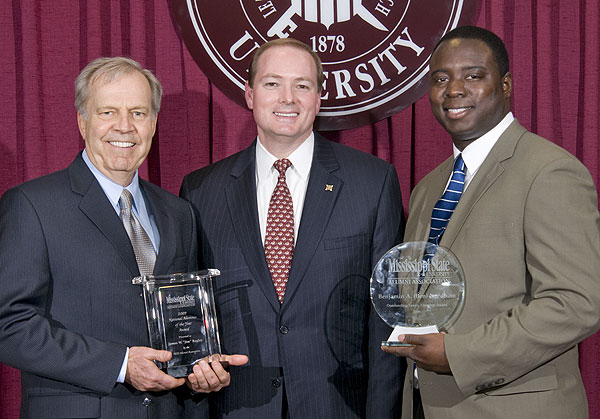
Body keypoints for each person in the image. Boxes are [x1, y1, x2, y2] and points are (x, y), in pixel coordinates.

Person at [0, 56, 245, 418]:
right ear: (82, 121)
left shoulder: (178, 213)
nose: (125, 126)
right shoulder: (32, 205)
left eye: (139, 113)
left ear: (154, 123)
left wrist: (200, 368)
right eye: (107, 112)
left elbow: (184, 320)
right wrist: (120, 364)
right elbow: (8, 324)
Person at [180, 38, 406, 418]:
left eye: (301, 85)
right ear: (250, 95)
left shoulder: (373, 182)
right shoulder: (201, 190)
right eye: (272, 84)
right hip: (237, 406)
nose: (288, 98)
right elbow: (190, 311)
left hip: (338, 406)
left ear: (319, 97)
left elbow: (386, 318)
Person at [383, 26, 600, 418]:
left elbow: (575, 303)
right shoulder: (429, 187)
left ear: (505, 85)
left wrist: (458, 354)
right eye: (441, 79)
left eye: (473, 75)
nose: (454, 90)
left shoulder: (549, 171)